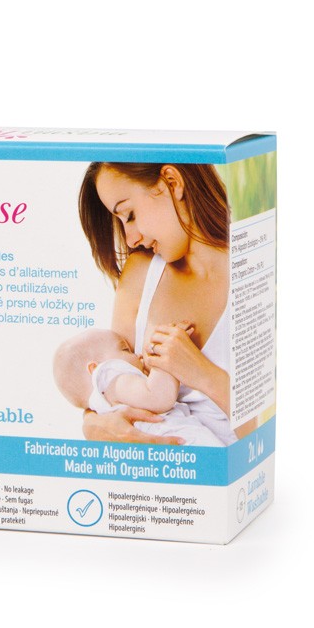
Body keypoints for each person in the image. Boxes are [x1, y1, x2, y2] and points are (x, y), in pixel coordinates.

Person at [78, 162, 253, 445]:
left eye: (130, 215)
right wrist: (93, 423)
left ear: (172, 182)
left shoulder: (256, 273)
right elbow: (112, 386)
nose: (130, 239)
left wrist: (201, 373)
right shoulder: (140, 276)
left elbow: (266, 438)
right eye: (121, 222)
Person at [52, 326, 225, 446]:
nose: (138, 355)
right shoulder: (112, 381)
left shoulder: (110, 396)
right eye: (126, 350)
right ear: (97, 369)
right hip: (182, 442)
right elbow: (157, 397)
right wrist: (163, 357)